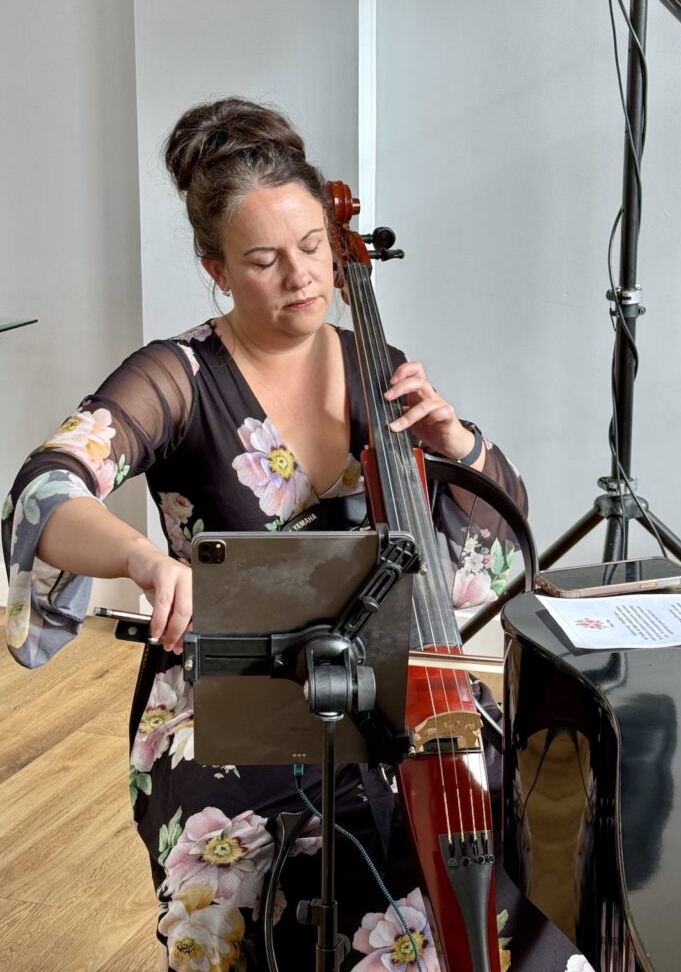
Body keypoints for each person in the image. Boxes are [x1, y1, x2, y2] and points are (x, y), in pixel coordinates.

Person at [2, 97, 577, 972]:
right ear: (216, 268)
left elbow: (497, 547)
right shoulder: (180, 375)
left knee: (529, 812)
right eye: (264, 260)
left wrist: (454, 445)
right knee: (226, 866)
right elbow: (47, 486)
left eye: (313, 248)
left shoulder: (375, 364)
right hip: (234, 693)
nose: (302, 277)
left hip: (394, 683)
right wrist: (142, 558)